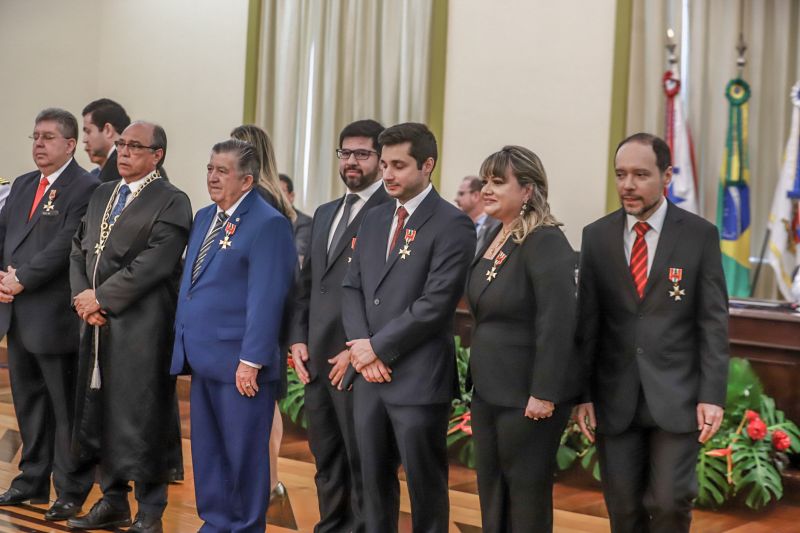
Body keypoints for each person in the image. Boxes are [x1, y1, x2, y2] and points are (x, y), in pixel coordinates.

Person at [574, 133, 729, 533]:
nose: (628, 184)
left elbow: (713, 322)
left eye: (640, 174)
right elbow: (587, 323)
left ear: (667, 176)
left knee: (670, 501)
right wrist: (584, 395)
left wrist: (712, 395)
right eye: (621, 174)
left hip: (676, 396)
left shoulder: (699, 235)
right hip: (614, 396)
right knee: (622, 509)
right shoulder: (597, 236)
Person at [341, 122, 475, 532]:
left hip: (417, 378)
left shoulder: (453, 223)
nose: (388, 175)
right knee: (372, 482)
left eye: (399, 165)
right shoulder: (375, 217)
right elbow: (352, 287)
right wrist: (363, 347)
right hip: (369, 376)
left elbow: (435, 304)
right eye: (384, 164)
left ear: (428, 165)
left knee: (425, 487)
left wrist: (376, 349)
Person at [68, 121, 192, 533]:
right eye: (121, 144)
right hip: (97, 323)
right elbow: (77, 247)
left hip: (143, 326)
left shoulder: (172, 200)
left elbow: (155, 263)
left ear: (157, 155)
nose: (123, 152)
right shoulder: (103, 193)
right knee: (99, 411)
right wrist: (83, 297)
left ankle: (150, 511)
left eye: (134, 146)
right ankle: (112, 500)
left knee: (142, 416)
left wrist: (101, 297)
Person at [171, 139, 296, 533]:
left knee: (243, 456)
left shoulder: (267, 223)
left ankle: (243, 526)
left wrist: (252, 360)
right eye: (210, 168)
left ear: (247, 180)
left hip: (242, 364)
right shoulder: (206, 216)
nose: (212, 177)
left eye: (221, 171)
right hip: (204, 355)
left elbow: (267, 297)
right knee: (208, 453)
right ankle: (216, 522)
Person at [466, 146, 578, 532]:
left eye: (499, 182)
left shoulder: (545, 241)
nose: (487, 189)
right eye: (485, 181)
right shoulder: (497, 235)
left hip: (527, 396)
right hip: (490, 390)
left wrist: (544, 392)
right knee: (492, 488)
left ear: (527, 190)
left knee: (525, 496)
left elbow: (558, 322)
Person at [289, 119, 390, 532]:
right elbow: (307, 285)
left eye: (362, 153)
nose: (351, 161)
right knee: (326, 457)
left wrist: (360, 348)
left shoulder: (390, 212)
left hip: (357, 358)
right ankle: (330, 526)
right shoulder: (326, 212)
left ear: (382, 161)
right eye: (345, 153)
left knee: (363, 460)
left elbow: (387, 295)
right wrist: (296, 338)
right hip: (316, 359)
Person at [0, 108, 98, 520]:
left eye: (48, 137)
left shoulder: (86, 187)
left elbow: (65, 247)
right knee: (28, 405)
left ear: (71, 144)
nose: (39, 144)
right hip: (16, 311)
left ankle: (70, 489)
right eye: (35, 137)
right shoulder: (23, 184)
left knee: (63, 409)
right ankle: (31, 481)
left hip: (54, 314)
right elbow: (3, 233)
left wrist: (21, 278)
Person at [230, 124, 294, 502]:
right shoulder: (273, 197)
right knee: (264, 406)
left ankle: (265, 484)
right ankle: (268, 480)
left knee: (257, 407)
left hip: (253, 317)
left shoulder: (260, 201)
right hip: (265, 317)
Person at [81, 99, 131, 182]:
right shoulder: (102, 170)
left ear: (108, 130)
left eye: (88, 131)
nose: (84, 140)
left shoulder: (121, 167)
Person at [455, 175, 500, 254]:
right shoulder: (459, 225)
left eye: (461, 194)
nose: (456, 199)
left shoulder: (497, 226)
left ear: (476, 196)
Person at [279, 173, 312, 263]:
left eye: (281, 191)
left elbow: (297, 253)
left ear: (291, 196)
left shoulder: (304, 222)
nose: (277, 195)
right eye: (274, 191)